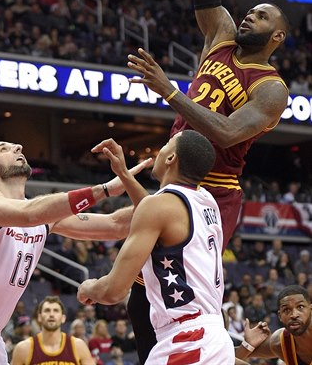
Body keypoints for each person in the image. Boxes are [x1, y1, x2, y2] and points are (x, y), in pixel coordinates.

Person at [126, 0, 289, 364]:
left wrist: (172, 93)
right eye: (247, 10)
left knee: (182, 296)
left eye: (260, 15)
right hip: (175, 180)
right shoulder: (218, 35)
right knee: (143, 293)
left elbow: (223, 134)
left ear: (277, 37)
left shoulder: (270, 88)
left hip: (216, 193)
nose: (247, 15)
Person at [0, 140, 152, 365]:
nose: (18, 146)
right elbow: (29, 213)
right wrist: (105, 189)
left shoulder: (45, 217)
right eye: (4, 148)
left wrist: (169, 197)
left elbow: (115, 226)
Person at [79, 131, 236, 363]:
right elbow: (154, 211)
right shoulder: (205, 199)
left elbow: (114, 291)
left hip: (187, 340)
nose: (160, 150)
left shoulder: (160, 206)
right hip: (213, 337)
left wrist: (89, 288)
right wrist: (123, 174)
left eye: (165, 145)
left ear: (171, 158)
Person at [236, 285, 312, 363]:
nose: (294, 315)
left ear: (311, 310)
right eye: (286, 310)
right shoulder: (280, 342)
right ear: (280, 316)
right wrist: (248, 345)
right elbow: (227, 358)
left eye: (300, 307)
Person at [11, 296, 94, 365]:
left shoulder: (78, 346)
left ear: (63, 318)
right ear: (39, 317)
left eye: (56, 311)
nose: (51, 314)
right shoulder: (23, 349)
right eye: (47, 310)